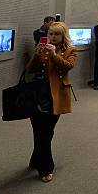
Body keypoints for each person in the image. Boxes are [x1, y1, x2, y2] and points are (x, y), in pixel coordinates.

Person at [25, 21, 77, 183]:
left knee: (47, 131)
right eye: (51, 34)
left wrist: (54, 55)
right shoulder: (43, 49)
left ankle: (46, 167)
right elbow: (30, 69)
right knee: (38, 129)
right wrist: (37, 54)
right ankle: (36, 159)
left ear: (63, 36)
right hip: (37, 94)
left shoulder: (71, 50)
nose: (53, 37)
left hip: (56, 95)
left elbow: (68, 66)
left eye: (56, 34)